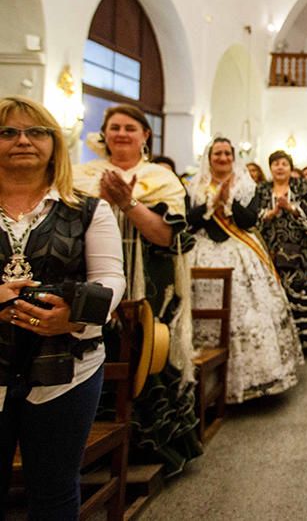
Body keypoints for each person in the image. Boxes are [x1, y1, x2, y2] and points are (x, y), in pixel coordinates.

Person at [0, 97, 126, 519]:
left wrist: (74, 317)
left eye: (36, 132)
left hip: (67, 366)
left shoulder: (87, 208)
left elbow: (111, 278)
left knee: (54, 489)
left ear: (55, 143)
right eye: (8, 132)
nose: (23, 141)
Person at [73, 103, 202, 475]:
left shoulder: (161, 179)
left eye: (130, 128)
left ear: (145, 135)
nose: (122, 134)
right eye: (114, 127)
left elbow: (167, 236)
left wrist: (127, 204)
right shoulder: (82, 176)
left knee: (148, 357)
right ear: (104, 133)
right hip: (91, 282)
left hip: (151, 284)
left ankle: (154, 453)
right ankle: (88, 448)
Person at [187, 138, 303, 403]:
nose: (223, 158)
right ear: (209, 157)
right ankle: (206, 383)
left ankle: (252, 380)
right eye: (218, 153)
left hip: (239, 251)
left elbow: (250, 220)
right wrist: (209, 204)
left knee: (246, 311)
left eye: (227, 153)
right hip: (203, 252)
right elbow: (189, 221)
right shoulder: (195, 186)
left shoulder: (246, 185)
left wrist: (229, 203)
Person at [256, 150, 307, 349]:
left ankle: (302, 338)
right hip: (269, 243)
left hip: (296, 245)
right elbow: (254, 214)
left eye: (284, 163)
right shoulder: (262, 188)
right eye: (275, 163)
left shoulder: (300, 186)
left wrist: (291, 208)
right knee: (272, 286)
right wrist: (271, 212)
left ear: (290, 167)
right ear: (270, 167)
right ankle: (277, 338)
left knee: (295, 284)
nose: (279, 167)